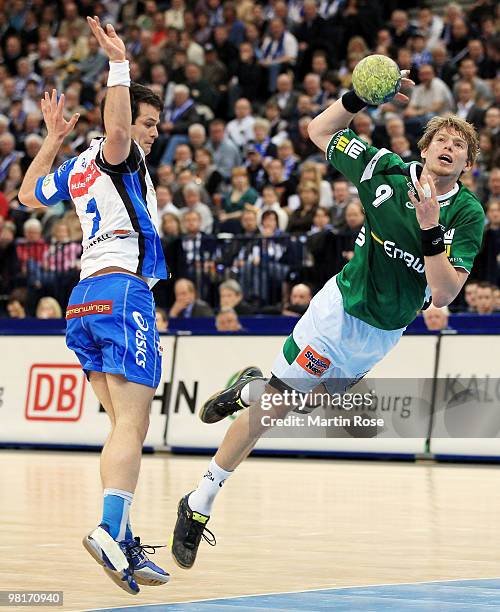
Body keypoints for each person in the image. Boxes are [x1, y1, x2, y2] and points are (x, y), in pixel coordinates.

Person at [170, 70, 486, 571]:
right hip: (337, 311)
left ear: (467, 164)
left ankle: (250, 386)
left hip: (384, 331)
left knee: (300, 405)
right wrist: (359, 97)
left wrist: (430, 228)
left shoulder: (467, 214)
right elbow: (318, 132)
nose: (449, 147)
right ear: (424, 150)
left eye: (460, 145)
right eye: (441, 139)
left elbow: (445, 293)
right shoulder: (383, 168)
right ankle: (200, 501)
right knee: (271, 414)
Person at [18, 17, 169, 594]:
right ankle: (109, 529)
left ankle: (124, 539)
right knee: (133, 423)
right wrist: (119, 65)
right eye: (145, 121)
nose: (150, 132)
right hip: (123, 290)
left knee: (122, 428)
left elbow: (30, 195)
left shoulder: (78, 166)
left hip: (83, 301)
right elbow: (118, 131)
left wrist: (52, 137)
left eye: (155, 123)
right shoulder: (117, 153)